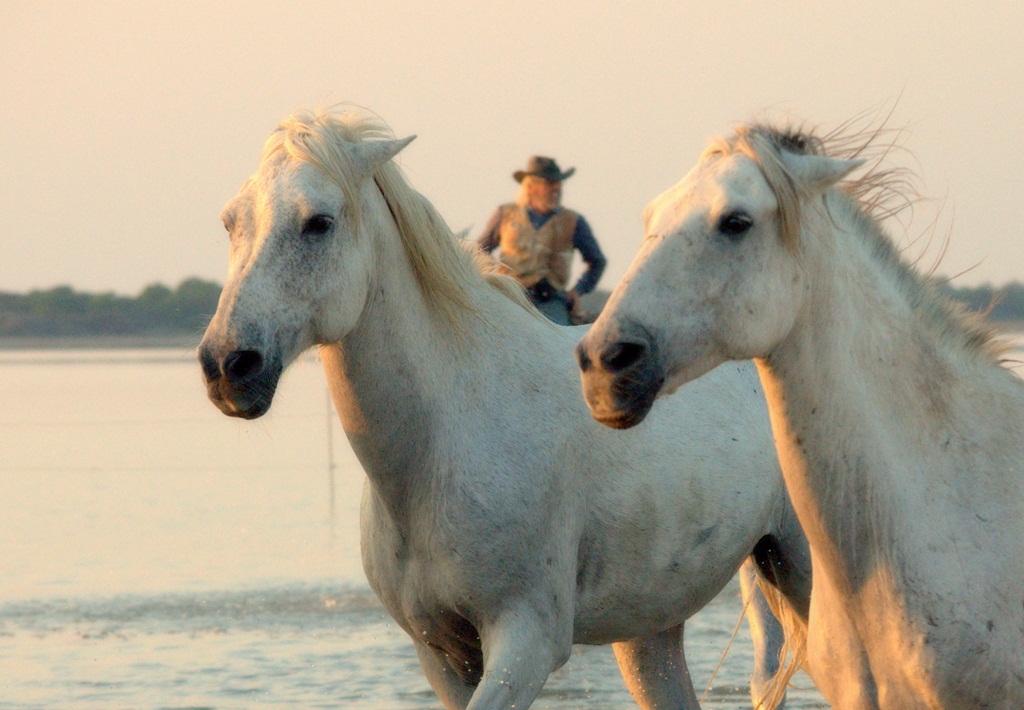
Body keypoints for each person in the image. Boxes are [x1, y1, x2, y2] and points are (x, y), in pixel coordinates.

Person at [477, 156, 606, 325]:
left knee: (558, 340)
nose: (557, 188)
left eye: (558, 183)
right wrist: (496, 274)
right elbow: (479, 251)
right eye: (549, 183)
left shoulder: (573, 221)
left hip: (550, 300)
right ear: (530, 187)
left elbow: (597, 261)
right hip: (509, 296)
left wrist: (578, 291)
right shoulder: (505, 214)